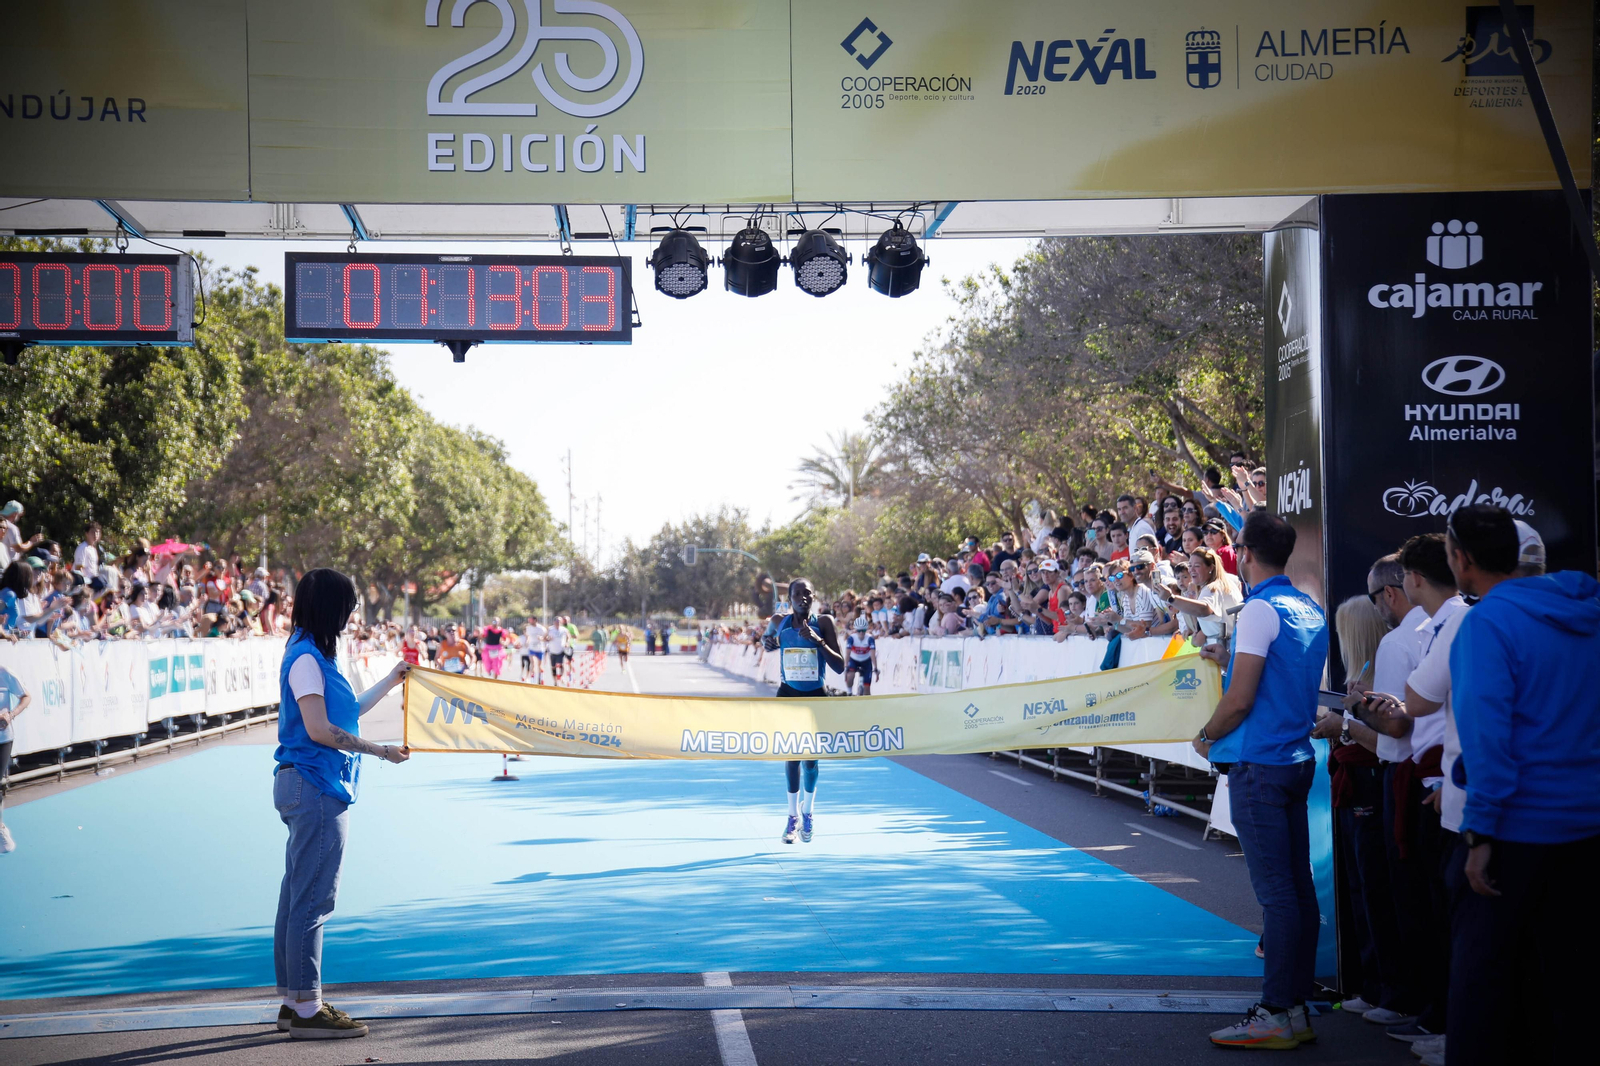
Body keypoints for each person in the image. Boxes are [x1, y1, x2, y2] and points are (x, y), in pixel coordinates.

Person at [1432, 506, 1600, 1066]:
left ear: (1463, 559)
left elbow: (1488, 736)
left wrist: (1480, 833)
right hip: (1584, 829)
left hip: (1512, 835)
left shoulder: (1486, 623)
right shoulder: (1586, 611)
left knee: (1483, 995)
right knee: (1568, 992)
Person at [1193, 511, 1328, 1049]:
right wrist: (1227, 658)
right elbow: (1277, 677)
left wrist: (1205, 734)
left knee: (1279, 897)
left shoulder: (1259, 609)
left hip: (1261, 765)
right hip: (1295, 759)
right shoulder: (1305, 605)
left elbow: (1241, 700)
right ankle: (1293, 1010)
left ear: (1246, 554)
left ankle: (1276, 1011)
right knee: (1297, 892)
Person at [272, 568, 411, 1039]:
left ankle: (294, 1002)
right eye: (348, 606)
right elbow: (318, 730)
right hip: (314, 785)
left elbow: (344, 714)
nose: (352, 614)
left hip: (307, 784)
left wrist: (391, 681)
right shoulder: (307, 659)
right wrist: (379, 751)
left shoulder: (314, 656)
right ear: (332, 608)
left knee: (297, 895)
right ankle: (308, 1007)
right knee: (312, 899)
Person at [761, 579, 843, 844]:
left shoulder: (825, 623)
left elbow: (840, 666)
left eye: (807, 594)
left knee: (810, 760)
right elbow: (767, 637)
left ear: (813, 597)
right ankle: (792, 817)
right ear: (790, 598)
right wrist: (768, 642)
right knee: (791, 755)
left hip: (816, 697)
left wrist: (818, 641)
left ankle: (808, 812)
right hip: (787, 694)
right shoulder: (779, 621)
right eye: (798, 594)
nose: (803, 598)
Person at [0, 663, 30, 853]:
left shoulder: (5, 672)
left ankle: (1, 828)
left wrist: (10, 715)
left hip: (2, 739)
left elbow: (26, 697)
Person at [844, 615, 877, 695]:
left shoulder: (870, 638)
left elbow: (873, 654)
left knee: (867, 690)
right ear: (855, 630)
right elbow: (847, 653)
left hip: (866, 661)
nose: (861, 633)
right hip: (854, 659)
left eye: (863, 630)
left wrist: (876, 667)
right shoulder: (851, 638)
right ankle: (849, 692)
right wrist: (845, 666)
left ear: (866, 630)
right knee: (850, 676)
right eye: (859, 630)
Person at [521, 617, 546, 682]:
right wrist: (527, 642)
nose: (530, 622)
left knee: (539, 665)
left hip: (540, 648)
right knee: (533, 663)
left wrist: (541, 638)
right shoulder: (528, 628)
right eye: (529, 620)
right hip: (532, 648)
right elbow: (528, 636)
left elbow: (546, 637)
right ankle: (532, 679)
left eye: (531, 620)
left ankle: (541, 677)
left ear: (535, 620)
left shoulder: (541, 628)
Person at [547, 617, 570, 684]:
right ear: (554, 622)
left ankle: (561, 676)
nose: (558, 623)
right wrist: (548, 638)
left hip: (561, 649)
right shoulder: (550, 629)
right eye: (556, 621)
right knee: (553, 667)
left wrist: (567, 642)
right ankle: (555, 681)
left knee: (561, 664)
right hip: (552, 650)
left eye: (559, 621)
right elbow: (545, 637)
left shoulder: (564, 630)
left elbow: (568, 637)